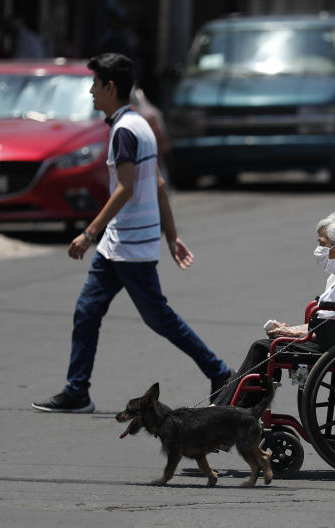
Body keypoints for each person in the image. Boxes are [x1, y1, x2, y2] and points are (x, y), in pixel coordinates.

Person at [32, 53, 231, 413]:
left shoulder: (124, 130)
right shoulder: (141, 125)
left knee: (159, 318)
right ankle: (77, 391)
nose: (91, 92)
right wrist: (171, 236)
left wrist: (88, 233)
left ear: (111, 87)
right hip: (119, 245)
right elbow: (157, 184)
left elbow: (125, 188)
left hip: (131, 247)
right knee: (87, 312)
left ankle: (219, 372)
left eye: (95, 85)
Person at [212, 212, 335, 407]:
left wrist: (296, 333)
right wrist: (294, 330)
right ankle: (240, 408)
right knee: (272, 344)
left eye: (322, 244)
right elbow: (332, 320)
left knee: (263, 348)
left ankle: (223, 410)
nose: (318, 250)